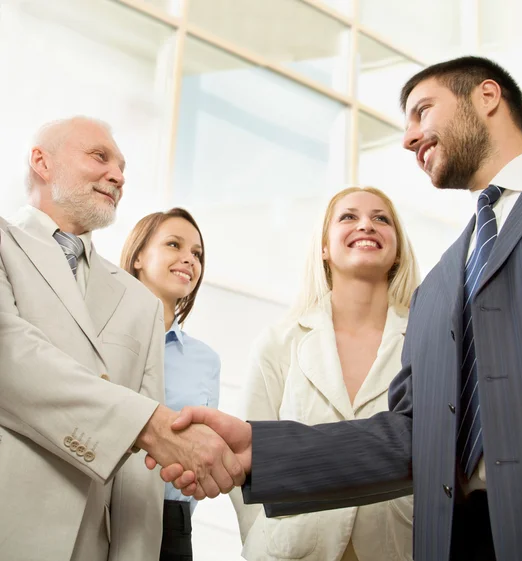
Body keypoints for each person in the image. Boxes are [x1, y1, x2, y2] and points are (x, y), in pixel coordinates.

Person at [158, 56, 522, 561]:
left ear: (487, 96)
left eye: (422, 111)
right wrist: (264, 451)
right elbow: (411, 438)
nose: (409, 138)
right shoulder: (437, 290)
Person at [0, 116, 243, 561]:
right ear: (41, 161)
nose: (118, 175)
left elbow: (140, 474)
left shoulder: (139, 302)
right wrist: (148, 425)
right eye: (100, 157)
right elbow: (9, 357)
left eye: (123, 166)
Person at [230, 186, 419, 561]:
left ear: (397, 250)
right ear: (324, 247)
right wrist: (262, 541)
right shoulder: (280, 341)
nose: (366, 225)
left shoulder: (425, 340)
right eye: (348, 217)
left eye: (381, 219)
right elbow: (247, 453)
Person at [121, 208, 221, 561]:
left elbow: (199, 455)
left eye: (197, 254)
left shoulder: (205, 361)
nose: (188, 259)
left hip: (171, 523)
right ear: (137, 258)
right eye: (174, 245)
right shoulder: (99, 338)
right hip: (101, 507)